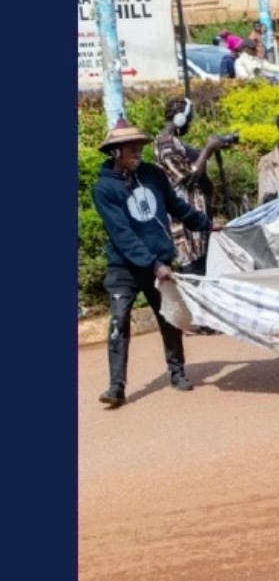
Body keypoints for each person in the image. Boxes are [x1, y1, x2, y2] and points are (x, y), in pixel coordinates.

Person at [91, 121, 211, 406]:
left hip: (158, 261)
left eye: (140, 146)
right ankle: (116, 387)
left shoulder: (154, 175)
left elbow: (177, 207)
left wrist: (205, 224)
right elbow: (122, 234)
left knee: (168, 317)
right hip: (124, 268)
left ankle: (177, 372)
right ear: (116, 151)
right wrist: (153, 264)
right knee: (119, 320)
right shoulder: (104, 188)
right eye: (132, 148)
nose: (138, 151)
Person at [152, 98, 225, 275]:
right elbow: (189, 177)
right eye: (189, 119)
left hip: (196, 217)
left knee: (203, 266)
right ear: (179, 119)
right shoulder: (166, 145)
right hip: (187, 221)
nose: (190, 124)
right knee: (194, 269)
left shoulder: (172, 142)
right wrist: (207, 150)